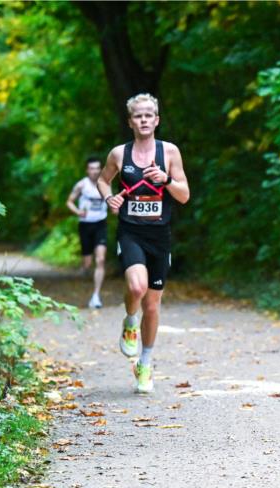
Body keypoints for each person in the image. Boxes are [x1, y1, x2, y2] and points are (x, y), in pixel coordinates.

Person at [96, 93, 190, 393]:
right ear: (130, 121)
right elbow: (102, 180)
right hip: (131, 231)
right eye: (138, 115)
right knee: (136, 287)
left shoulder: (170, 152)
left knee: (153, 303)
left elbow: (184, 195)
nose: (144, 119)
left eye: (149, 115)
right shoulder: (118, 154)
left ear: (157, 120)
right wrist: (107, 197)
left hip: (159, 235)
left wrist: (165, 180)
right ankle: (129, 320)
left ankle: (145, 363)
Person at [66, 156, 109, 308]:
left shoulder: (105, 183)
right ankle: (84, 269)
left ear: (101, 169)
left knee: (100, 260)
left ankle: (96, 296)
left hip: (100, 224)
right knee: (88, 262)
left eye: (97, 168)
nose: (95, 171)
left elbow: (112, 200)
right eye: (92, 168)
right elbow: (69, 201)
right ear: (87, 170)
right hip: (85, 225)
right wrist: (78, 211)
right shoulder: (81, 185)